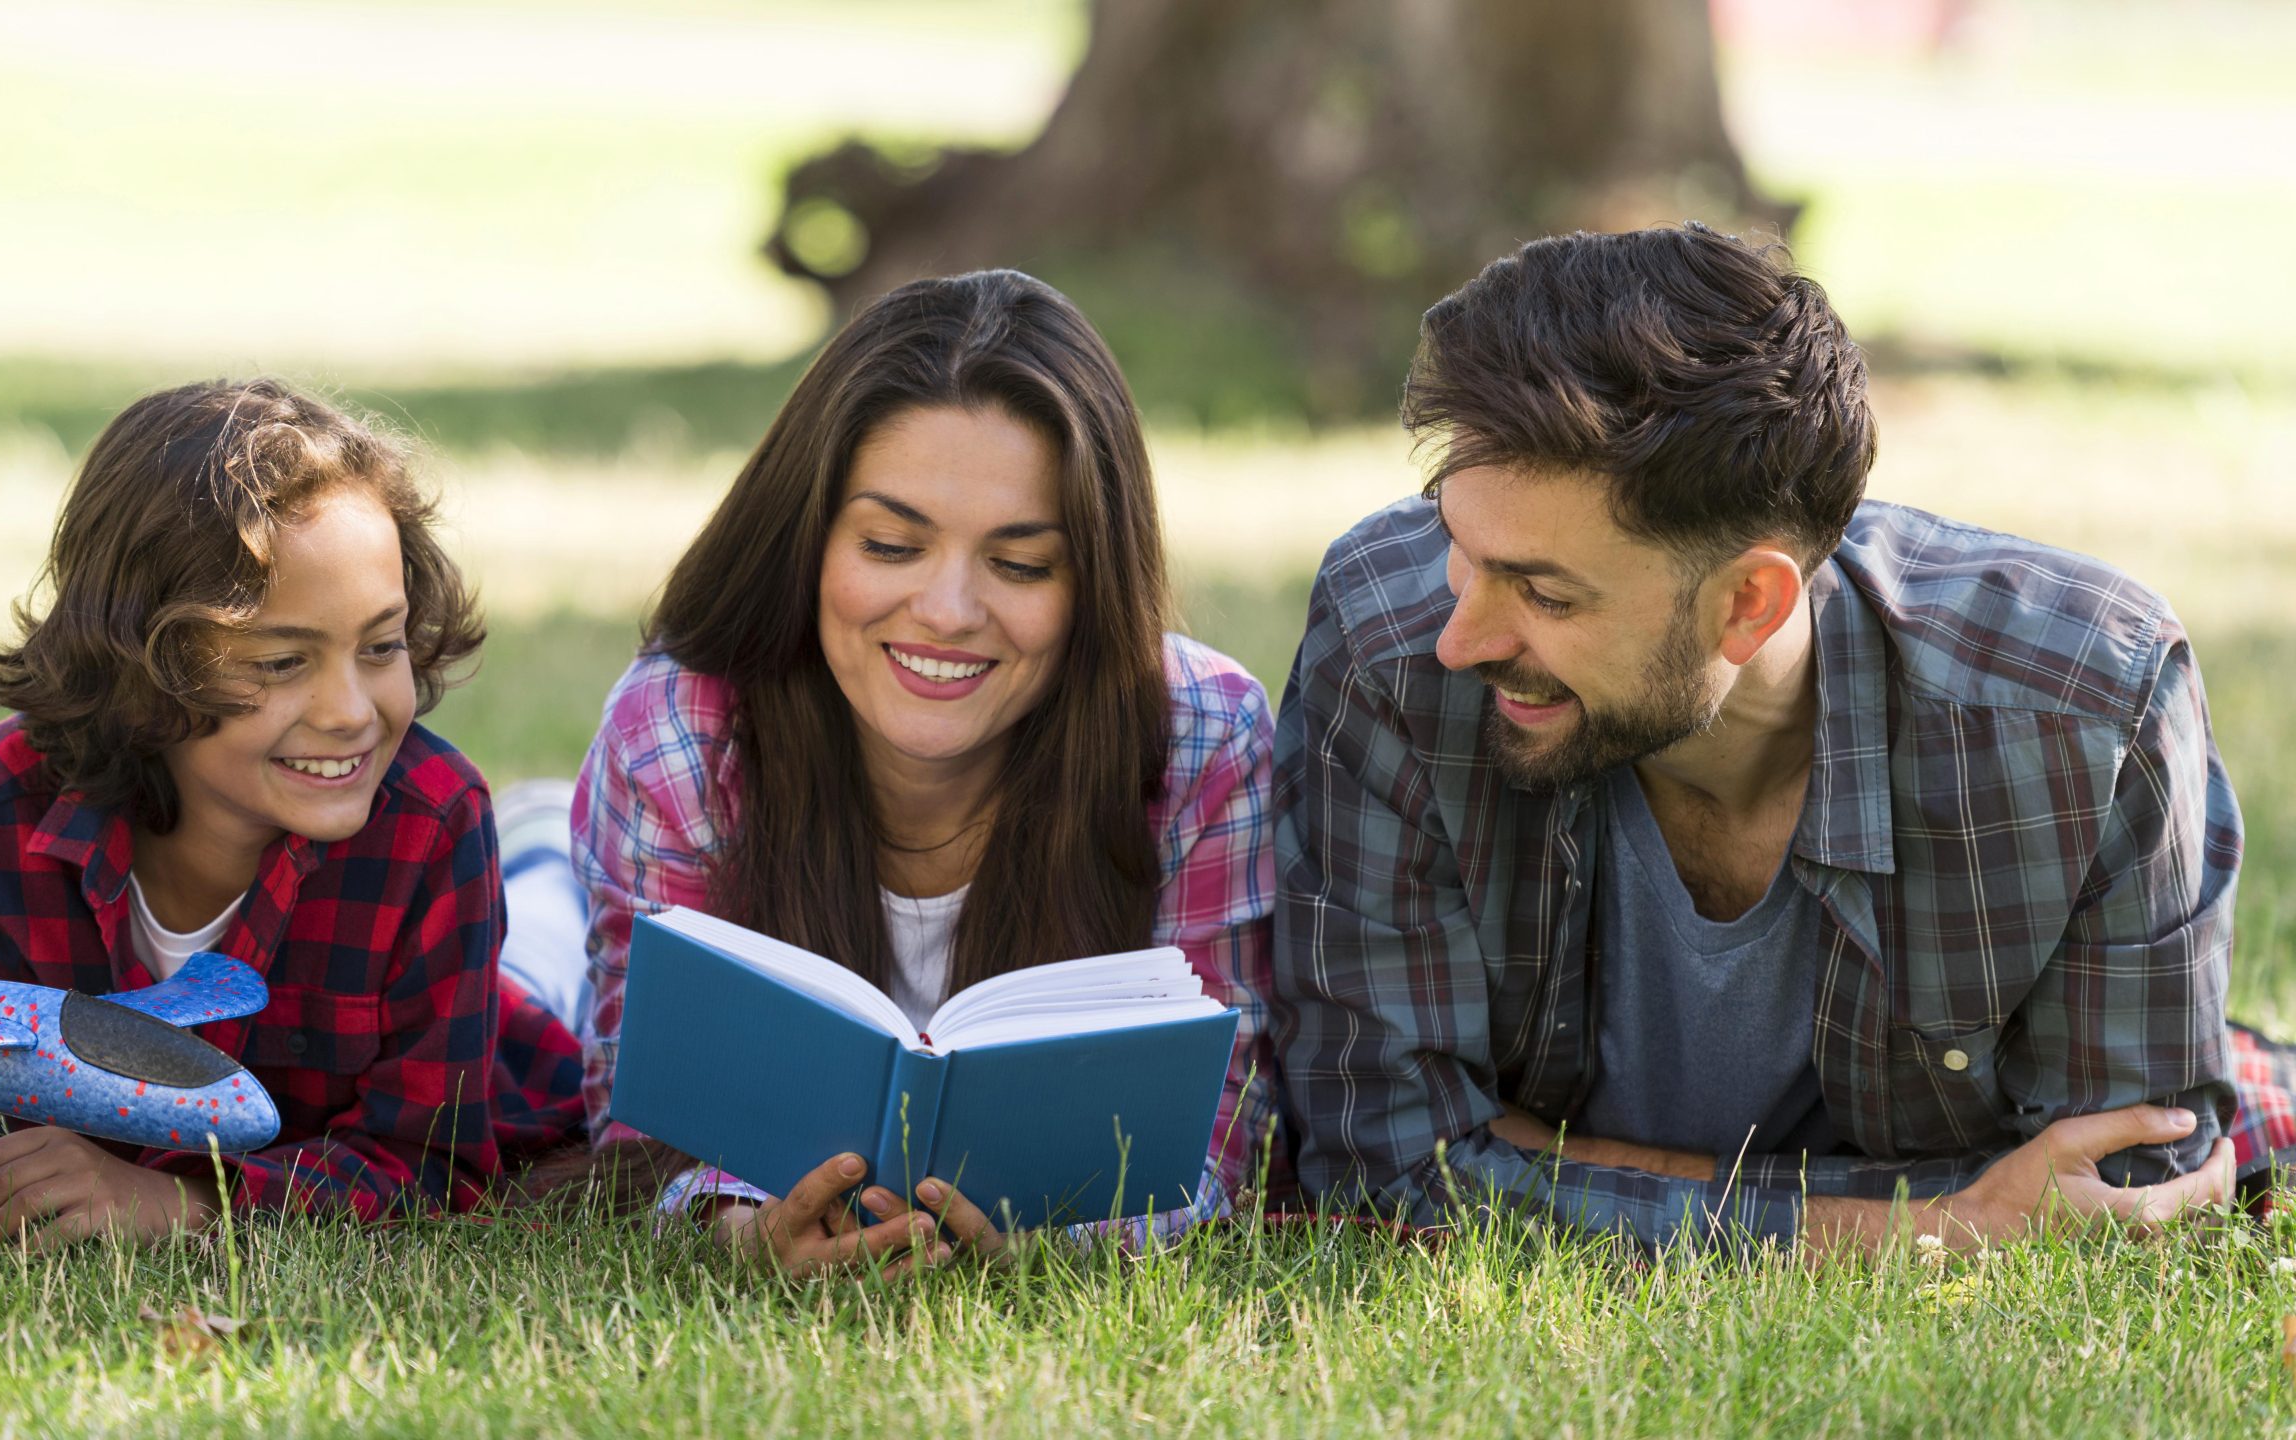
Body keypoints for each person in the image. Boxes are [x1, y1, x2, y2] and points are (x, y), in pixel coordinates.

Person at [1271, 223, 2294, 1256]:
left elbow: (2118, 1194)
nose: (1463, 636)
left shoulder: (2082, 713)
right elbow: (1383, 1167)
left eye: (1542, 591)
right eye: (1459, 545)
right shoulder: (1388, 651)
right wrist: (1928, 1224)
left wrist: (1548, 1165)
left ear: (1750, 603)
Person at [526, 269, 1276, 1276]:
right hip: (553, 901)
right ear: (808, 536)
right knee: (526, 947)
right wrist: (742, 1232)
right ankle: (528, 842)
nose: (948, 611)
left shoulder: (1201, 739)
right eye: (890, 544)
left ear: (1093, 580)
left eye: (1020, 565)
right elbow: (643, 1122)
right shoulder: (680, 732)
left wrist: (1052, 1237)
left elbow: (1217, 1140)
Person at [0, 379, 585, 1243]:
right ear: (138, 664)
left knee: (550, 938)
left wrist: (187, 1205)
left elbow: (432, 1161)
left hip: (517, 1016)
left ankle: (544, 833)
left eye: (380, 645)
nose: (353, 710)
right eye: (282, 663)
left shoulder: (432, 822)